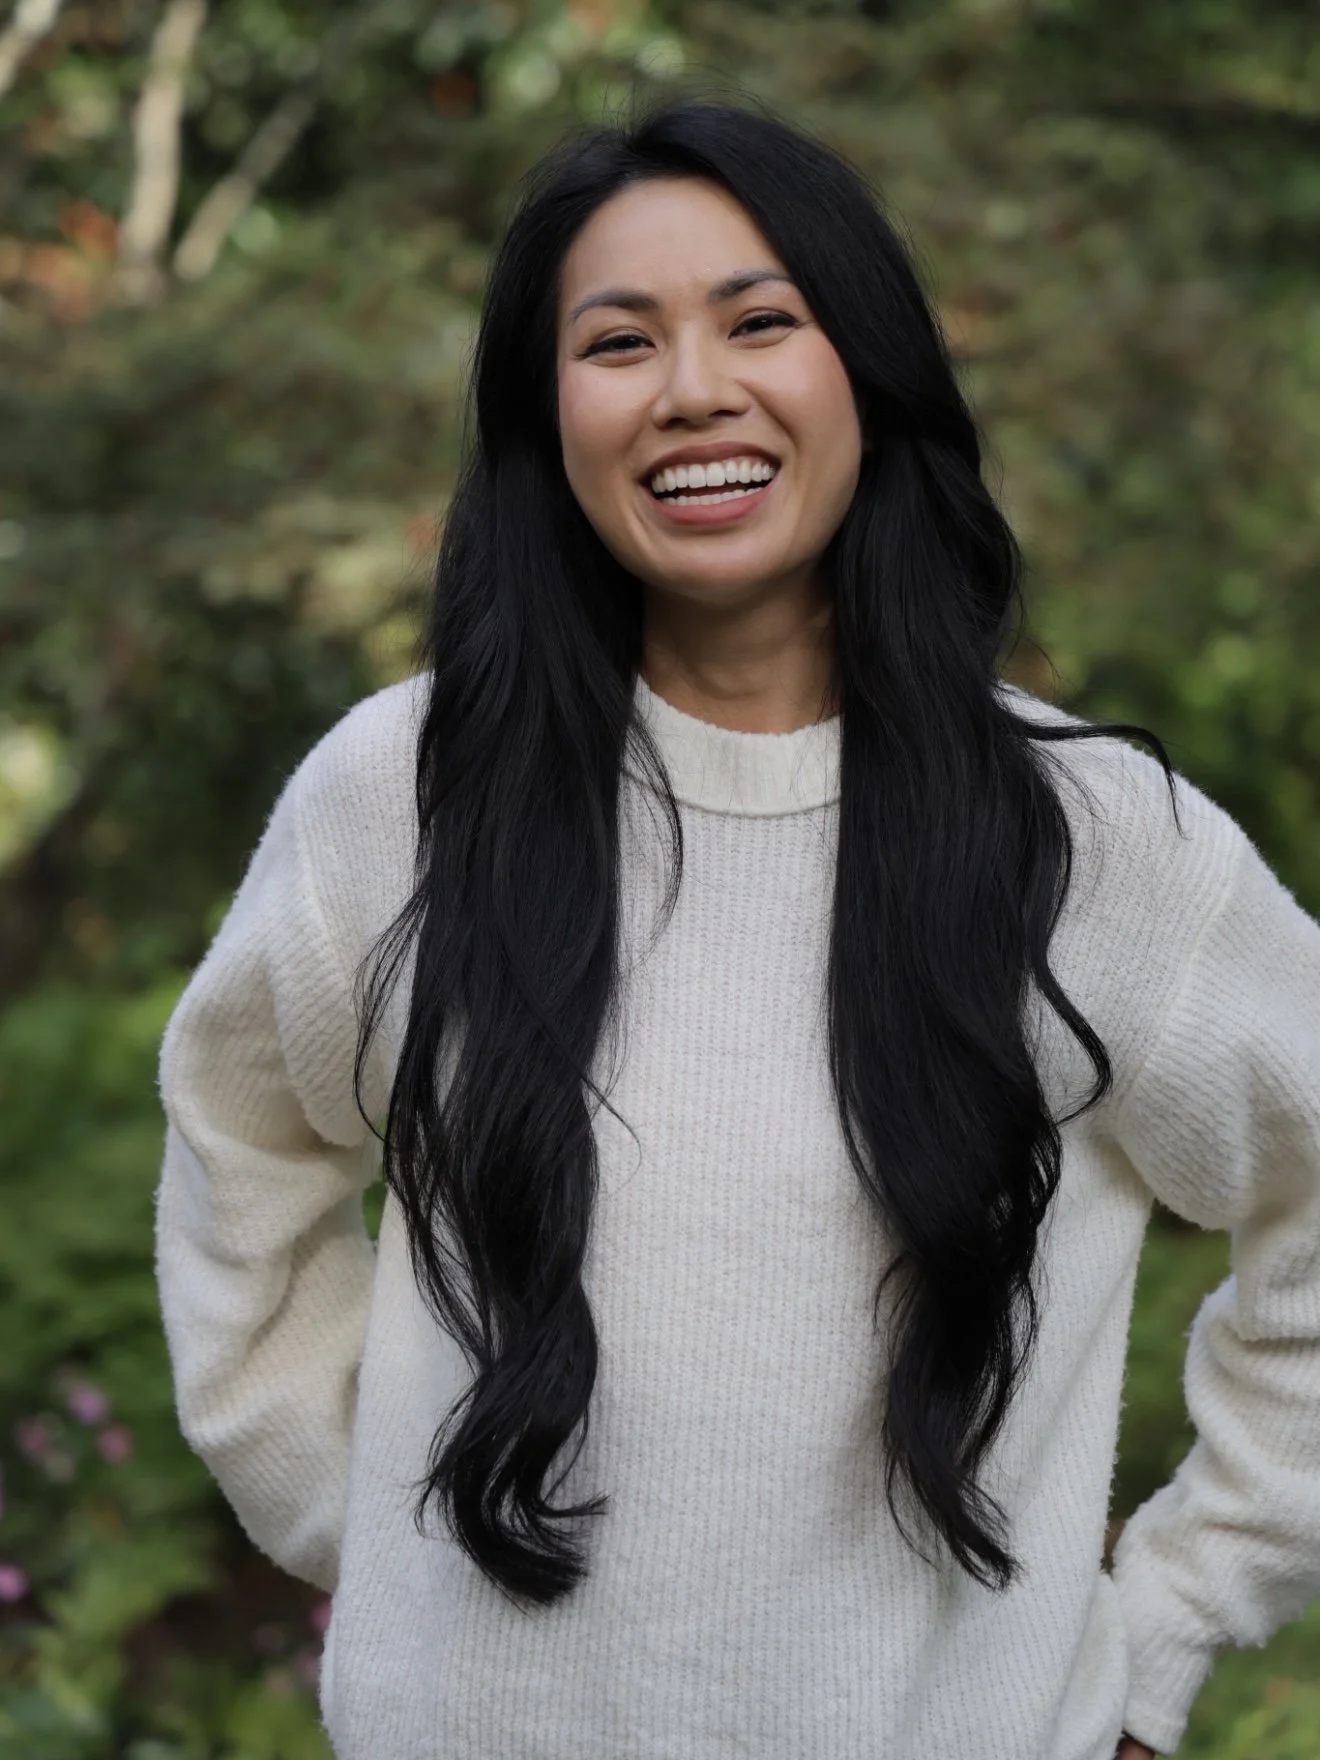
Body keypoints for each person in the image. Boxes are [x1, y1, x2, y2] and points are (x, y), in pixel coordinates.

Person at [154, 90, 1320, 1760]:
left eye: (761, 322)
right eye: (618, 342)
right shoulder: (399, 799)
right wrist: (375, 1526)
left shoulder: (1089, 843)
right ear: (545, 412)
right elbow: (239, 1145)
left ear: (870, 373)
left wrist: (1179, 1614)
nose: (694, 389)